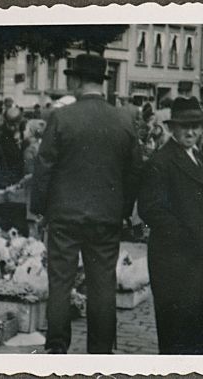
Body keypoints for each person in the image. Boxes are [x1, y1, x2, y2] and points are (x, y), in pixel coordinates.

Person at [31, 54, 141, 354]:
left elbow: (44, 167)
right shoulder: (124, 119)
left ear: (77, 81)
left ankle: (56, 348)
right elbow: (134, 171)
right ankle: (101, 352)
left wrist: (40, 208)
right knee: (103, 285)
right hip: (106, 217)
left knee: (60, 283)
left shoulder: (61, 118)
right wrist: (123, 210)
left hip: (65, 215)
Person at [138, 96, 203, 354]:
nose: (191, 131)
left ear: (202, 128)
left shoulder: (198, 156)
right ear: (172, 128)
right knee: (179, 333)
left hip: (202, 259)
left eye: (196, 126)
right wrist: (193, 237)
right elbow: (151, 210)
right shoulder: (161, 162)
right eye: (184, 126)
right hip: (176, 262)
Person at [0, 107, 25, 189]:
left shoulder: (25, 136)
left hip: (23, 182)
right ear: (6, 122)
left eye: (16, 124)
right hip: (7, 182)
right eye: (11, 124)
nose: (14, 127)